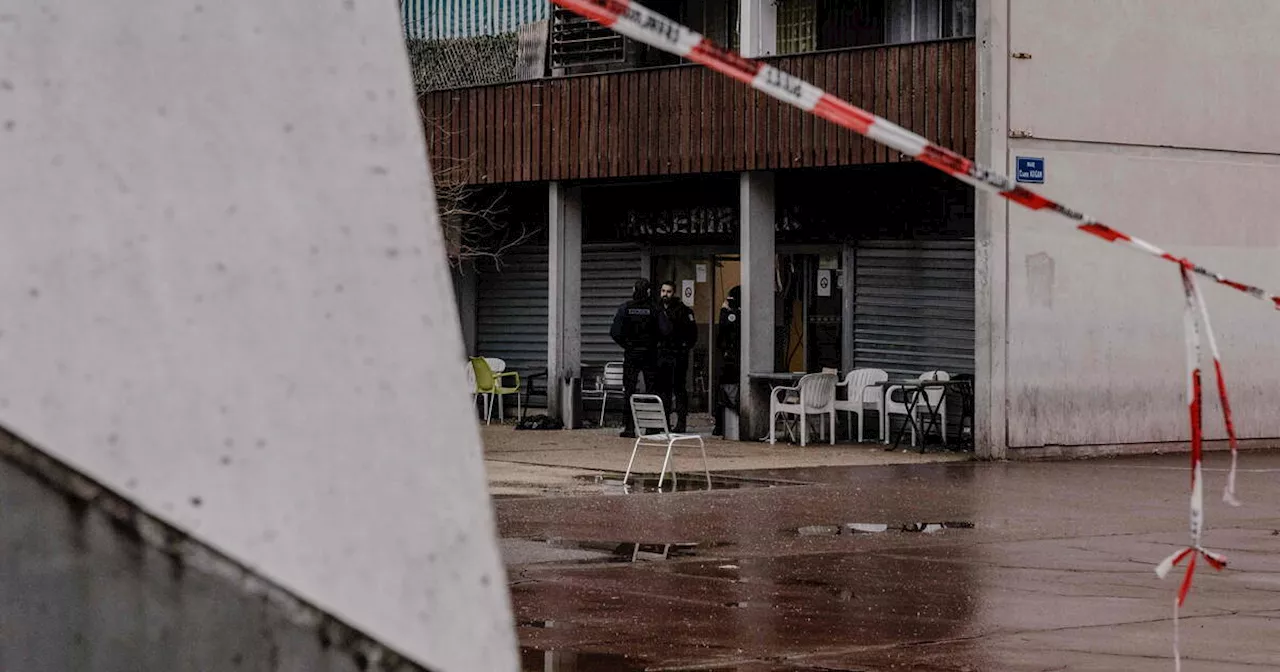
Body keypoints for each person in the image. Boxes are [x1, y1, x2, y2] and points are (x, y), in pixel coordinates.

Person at [610, 278, 659, 438]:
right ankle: (651, 427)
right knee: (652, 390)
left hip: (631, 354)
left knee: (629, 389)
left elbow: (615, 332)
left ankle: (629, 427)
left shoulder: (625, 308)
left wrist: (627, 345)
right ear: (649, 292)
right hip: (650, 354)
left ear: (633, 290)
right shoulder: (654, 309)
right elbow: (666, 330)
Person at [655, 280, 698, 433]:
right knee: (663, 390)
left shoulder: (684, 311)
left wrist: (683, 348)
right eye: (663, 291)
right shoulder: (656, 309)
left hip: (678, 356)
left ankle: (681, 423)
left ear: (674, 293)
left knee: (679, 389)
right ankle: (664, 422)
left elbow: (693, 334)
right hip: (662, 356)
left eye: (668, 291)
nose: (665, 294)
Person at [712, 285, 741, 437]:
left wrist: (724, 311)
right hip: (734, 360)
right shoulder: (742, 315)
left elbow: (722, 330)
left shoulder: (732, 316)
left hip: (730, 361)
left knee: (724, 392)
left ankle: (720, 425)